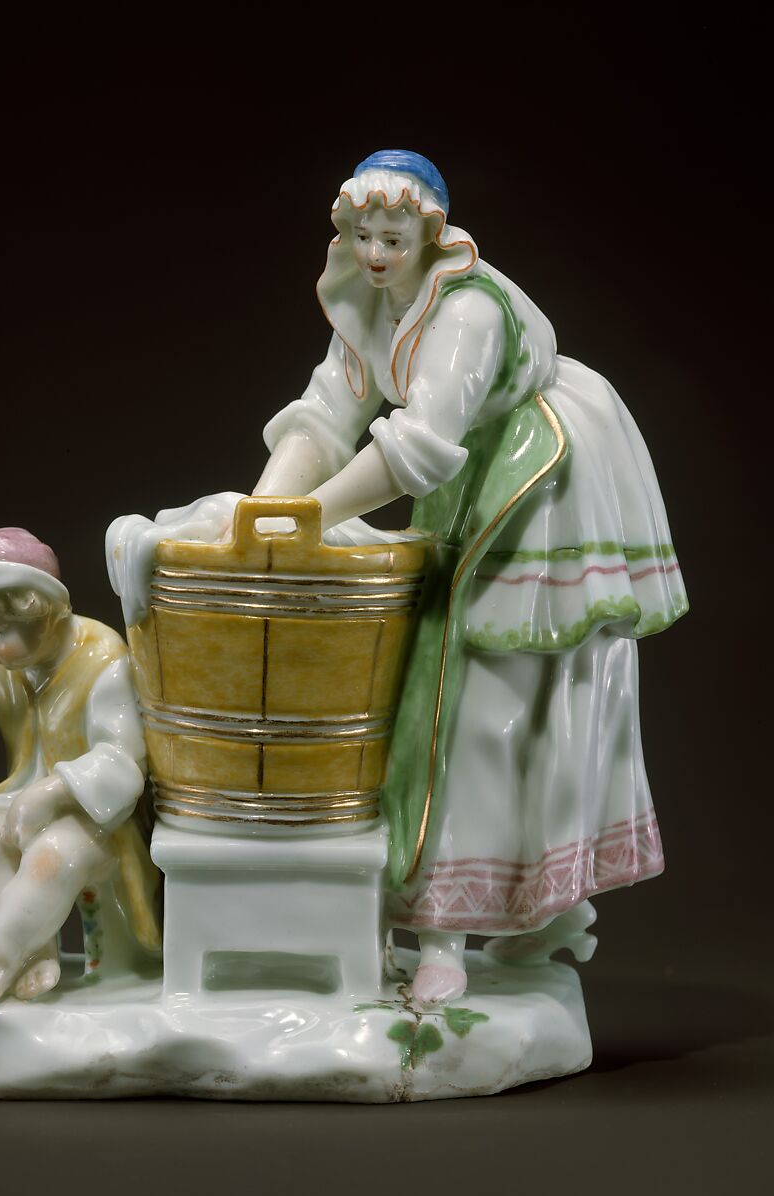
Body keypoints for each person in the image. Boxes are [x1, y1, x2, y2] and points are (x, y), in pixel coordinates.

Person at [254, 150, 688, 1005]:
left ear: (432, 234)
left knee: (485, 693)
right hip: (466, 471)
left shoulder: (468, 311)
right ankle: (527, 907)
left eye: (393, 238)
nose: (376, 254)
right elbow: (329, 414)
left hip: (541, 482)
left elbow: (420, 443)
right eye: (363, 236)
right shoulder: (369, 298)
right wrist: (262, 510)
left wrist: (308, 519)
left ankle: (464, 927)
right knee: (452, 687)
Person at [0, 527, 160, 1014]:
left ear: (43, 613)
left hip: (98, 818)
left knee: (54, 854)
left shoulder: (106, 660)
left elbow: (123, 761)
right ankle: (31, 950)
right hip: (20, 801)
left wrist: (53, 791)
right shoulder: (8, 667)